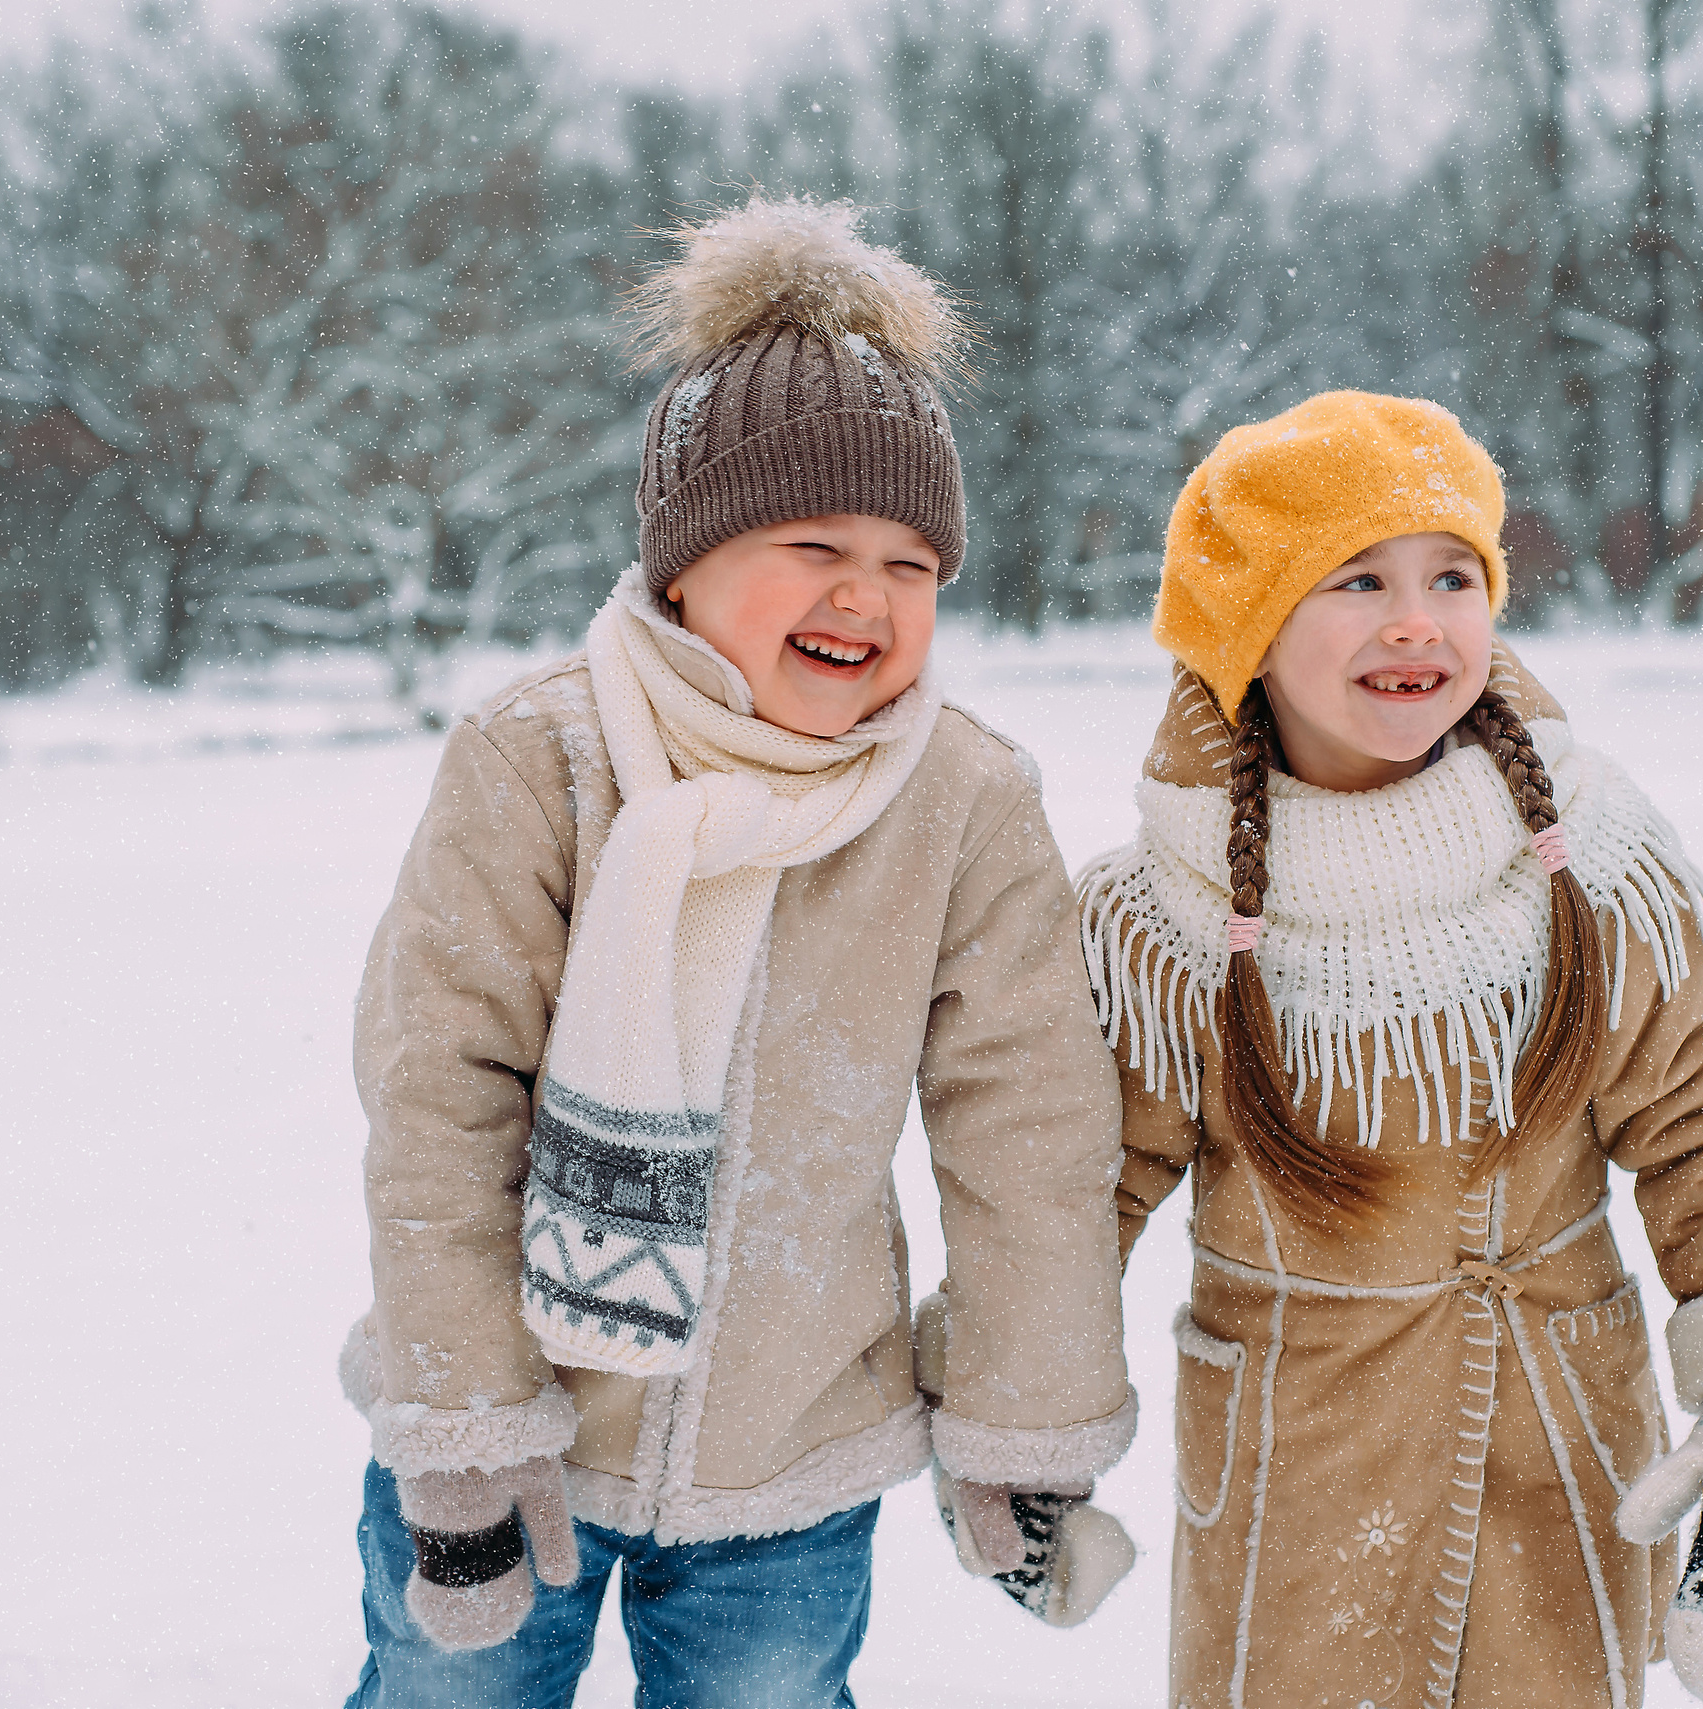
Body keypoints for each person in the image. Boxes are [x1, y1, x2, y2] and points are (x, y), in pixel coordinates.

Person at [337, 197, 1136, 1709]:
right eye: (813, 544)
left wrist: (1019, 1421)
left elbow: (1026, 1130)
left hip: (794, 1450)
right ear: (687, 566)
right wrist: (463, 1425)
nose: (866, 596)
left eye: (912, 562)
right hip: (520, 1435)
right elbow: (438, 1097)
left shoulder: (962, 799)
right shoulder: (545, 764)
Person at [1080, 391, 1703, 1709]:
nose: (1416, 619)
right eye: (1357, 578)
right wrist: (1019, 1428)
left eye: (1454, 574)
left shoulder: (1592, 856)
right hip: (1296, 1482)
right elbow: (1077, 1185)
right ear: (1251, 628)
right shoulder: (1160, 917)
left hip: (1565, 1453)